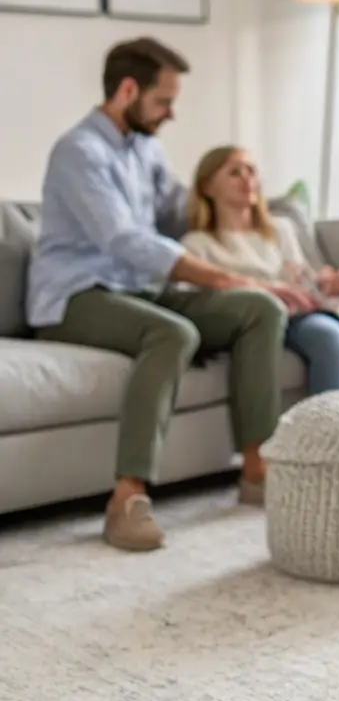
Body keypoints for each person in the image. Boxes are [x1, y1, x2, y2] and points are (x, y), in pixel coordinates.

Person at [28, 38, 317, 553]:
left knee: (260, 309)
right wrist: (229, 278)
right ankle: (127, 499)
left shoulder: (146, 150)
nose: (171, 113)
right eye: (163, 101)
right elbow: (125, 240)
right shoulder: (80, 152)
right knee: (173, 333)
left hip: (140, 291)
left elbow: (178, 214)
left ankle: (258, 469)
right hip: (73, 297)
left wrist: (244, 206)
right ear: (127, 91)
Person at [183, 146, 339, 396]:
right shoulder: (198, 245)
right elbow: (202, 301)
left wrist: (326, 283)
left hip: (314, 304)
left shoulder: (280, 229)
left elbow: (301, 275)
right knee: (329, 339)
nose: (247, 179)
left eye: (251, 171)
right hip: (280, 317)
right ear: (207, 186)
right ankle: (324, 422)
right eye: (234, 172)